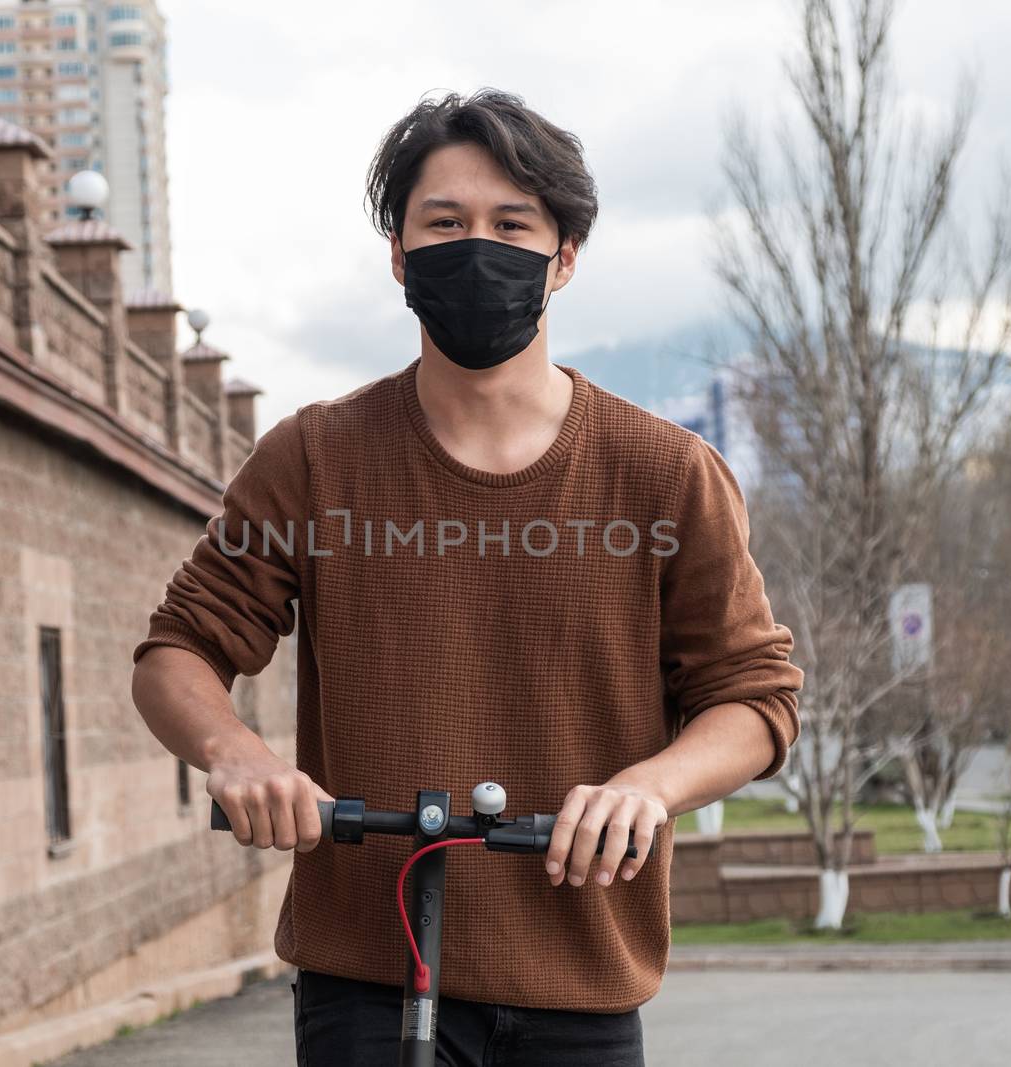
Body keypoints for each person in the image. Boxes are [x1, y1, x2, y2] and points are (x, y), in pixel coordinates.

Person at [130, 87, 804, 1066]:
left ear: (563, 256)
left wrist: (648, 789)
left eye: (510, 224)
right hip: (367, 972)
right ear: (399, 256)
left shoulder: (665, 474)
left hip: (582, 972)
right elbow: (175, 651)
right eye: (442, 222)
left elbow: (755, 699)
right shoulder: (314, 457)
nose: (475, 245)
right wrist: (234, 750)